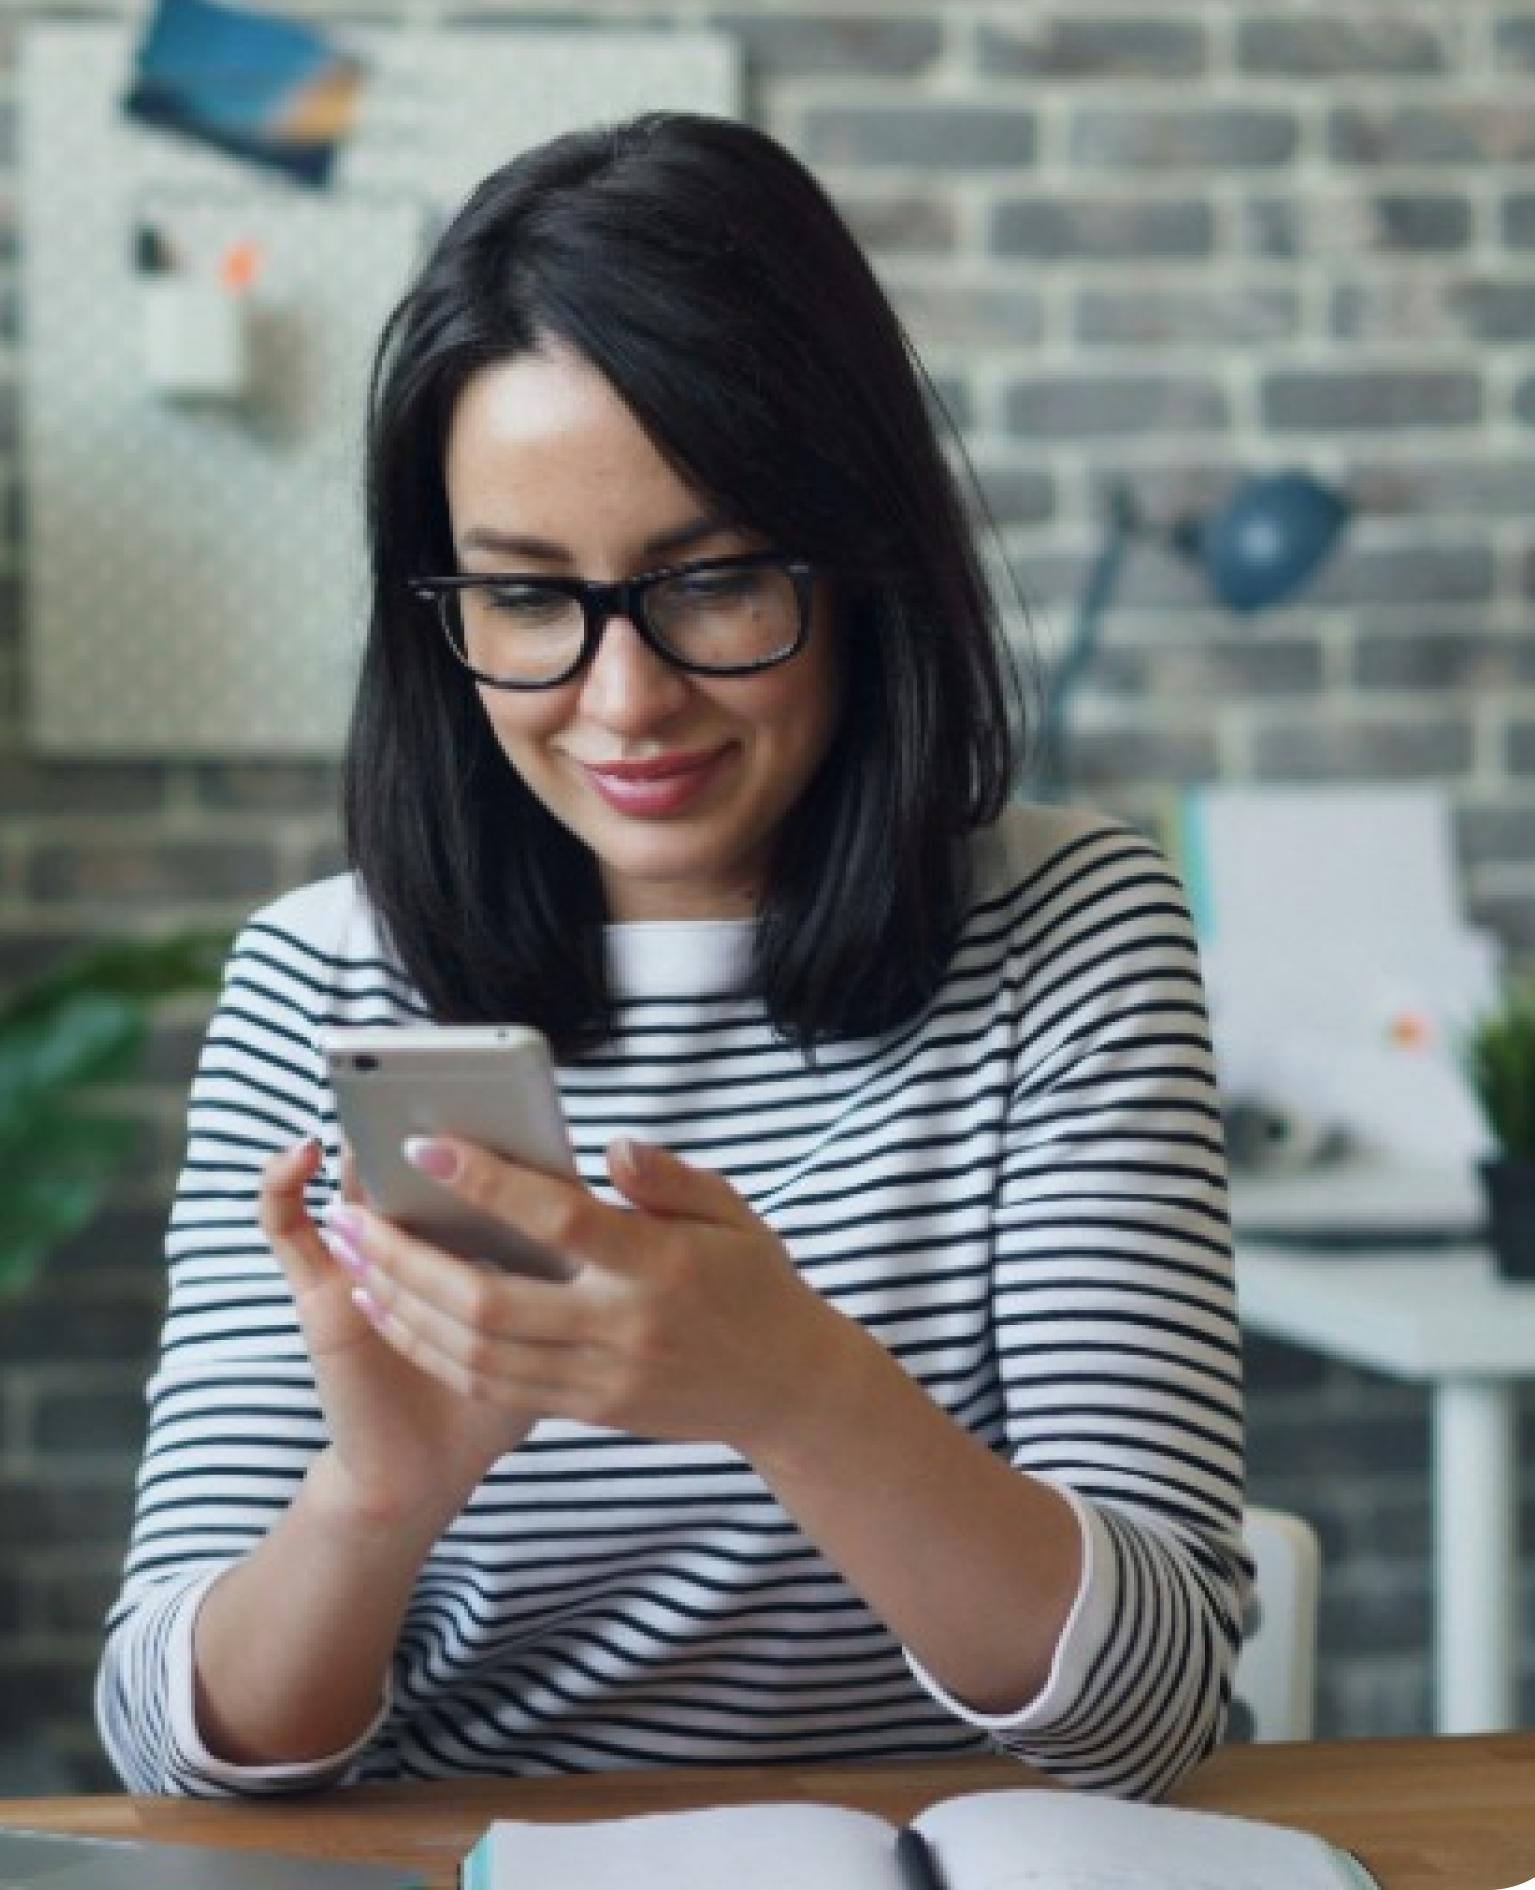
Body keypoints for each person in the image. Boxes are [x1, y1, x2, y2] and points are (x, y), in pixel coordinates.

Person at [97, 111, 1245, 1803]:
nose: (623, 703)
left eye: (709, 585)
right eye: (526, 598)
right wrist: (378, 1495)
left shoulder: (1068, 933)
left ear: (864, 568)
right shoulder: (322, 976)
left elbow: (1156, 1715)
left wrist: (796, 1391)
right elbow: (168, 1750)